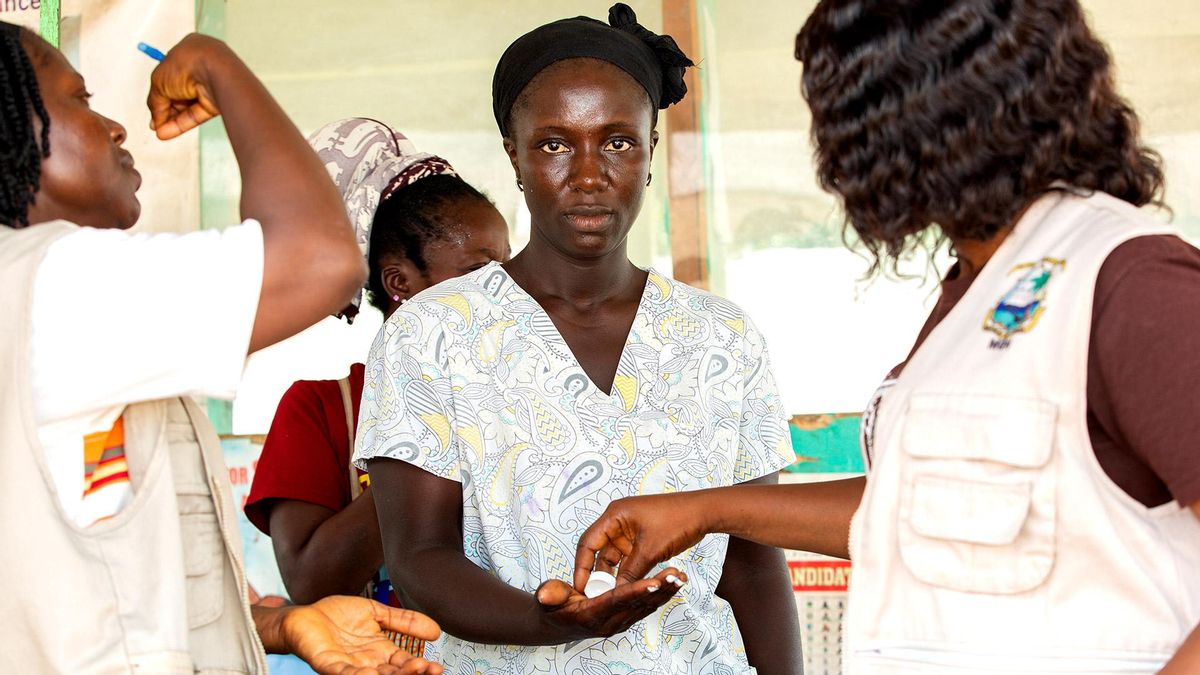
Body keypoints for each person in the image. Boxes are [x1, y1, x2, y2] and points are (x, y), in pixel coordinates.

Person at [574, 0, 1200, 672]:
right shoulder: (979, 289)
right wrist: (703, 510)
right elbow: (919, 510)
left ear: (901, 123)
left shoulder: (1131, 281)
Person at [353, 4, 803, 673]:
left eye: (619, 142)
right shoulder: (431, 335)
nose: (589, 175)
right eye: (556, 143)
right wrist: (545, 620)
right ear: (515, 155)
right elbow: (420, 557)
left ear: (651, 155)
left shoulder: (722, 337)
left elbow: (754, 566)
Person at [0, 25, 440, 674]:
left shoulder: (49, 303)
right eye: (82, 100)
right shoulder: (55, 286)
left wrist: (281, 621)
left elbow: (103, 584)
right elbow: (320, 256)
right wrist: (217, 65)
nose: (115, 129)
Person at [245, 118, 510, 623]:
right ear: (400, 283)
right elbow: (311, 582)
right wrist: (432, 436)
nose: (507, 290)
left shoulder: (527, 391)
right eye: (479, 273)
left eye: (508, 269)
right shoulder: (320, 410)